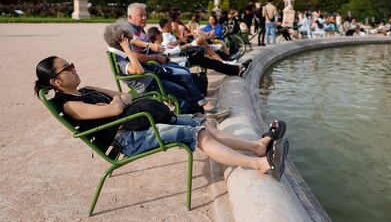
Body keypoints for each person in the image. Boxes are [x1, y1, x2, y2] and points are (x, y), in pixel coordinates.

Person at [34, 56, 290, 181]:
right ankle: (260, 165)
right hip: (128, 138)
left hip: (137, 123)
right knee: (196, 134)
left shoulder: (87, 89)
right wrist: (115, 104)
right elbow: (114, 110)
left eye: (71, 64)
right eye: (66, 68)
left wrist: (115, 102)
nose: (73, 68)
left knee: (200, 122)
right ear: (56, 81)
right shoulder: (70, 105)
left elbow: (124, 96)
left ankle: (256, 147)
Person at [126, 3, 251, 77]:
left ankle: (233, 67)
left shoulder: (139, 31)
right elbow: (141, 56)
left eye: (145, 15)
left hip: (172, 55)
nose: (144, 18)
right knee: (202, 54)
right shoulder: (134, 34)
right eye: (140, 15)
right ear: (130, 17)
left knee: (202, 53)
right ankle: (233, 67)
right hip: (172, 59)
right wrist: (158, 56)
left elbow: (157, 50)